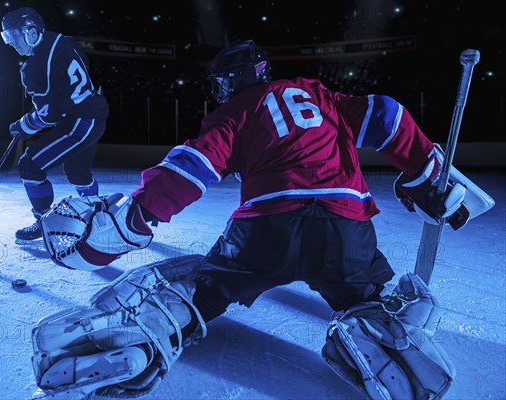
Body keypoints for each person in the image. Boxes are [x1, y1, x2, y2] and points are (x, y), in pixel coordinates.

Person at [32, 40, 492, 399]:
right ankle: (385, 342)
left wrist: (133, 217)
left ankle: (144, 335)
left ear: (229, 82)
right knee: (369, 297)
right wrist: (426, 171)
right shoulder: (317, 94)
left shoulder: (234, 112)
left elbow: (191, 169)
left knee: (201, 287)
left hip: (266, 229)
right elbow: (387, 115)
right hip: (346, 229)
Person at [1, 7, 109, 240]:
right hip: (92, 117)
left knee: (29, 165)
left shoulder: (33, 68)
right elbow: (61, 94)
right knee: (78, 172)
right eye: (5, 37)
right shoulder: (64, 41)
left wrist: (23, 125)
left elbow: (49, 115)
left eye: (13, 36)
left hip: (79, 122)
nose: (10, 43)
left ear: (31, 31)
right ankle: (98, 218)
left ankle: (44, 221)